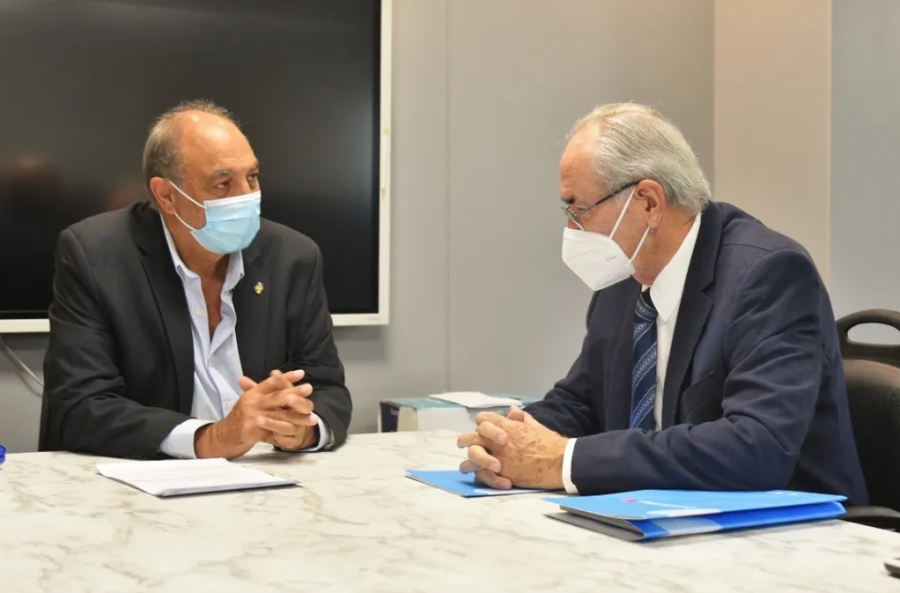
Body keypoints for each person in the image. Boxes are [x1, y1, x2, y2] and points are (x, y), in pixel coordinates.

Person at [457, 102, 868, 504]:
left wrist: (564, 460)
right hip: (666, 520)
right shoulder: (625, 276)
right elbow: (582, 402)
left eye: (579, 210)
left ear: (649, 203)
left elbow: (756, 446)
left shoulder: (768, 276)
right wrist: (509, 440)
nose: (572, 228)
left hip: (797, 530)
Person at [40, 100, 352, 460]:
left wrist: (303, 429)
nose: (246, 197)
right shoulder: (96, 254)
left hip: (264, 472)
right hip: (142, 477)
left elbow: (327, 388)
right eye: (223, 183)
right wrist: (211, 439)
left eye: (252, 177)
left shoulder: (292, 256)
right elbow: (81, 406)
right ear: (166, 195)